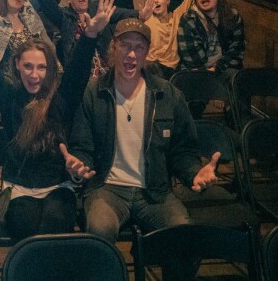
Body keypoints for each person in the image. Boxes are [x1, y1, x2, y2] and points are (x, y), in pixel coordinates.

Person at [0, 0, 114, 239]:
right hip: (19, 187)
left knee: (55, 226)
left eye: (41, 68)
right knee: (25, 229)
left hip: (58, 187)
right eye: (28, 66)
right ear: (17, 65)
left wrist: (91, 35)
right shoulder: (9, 96)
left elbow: (77, 73)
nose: (35, 74)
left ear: (49, 70)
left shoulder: (62, 98)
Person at [62, 18, 221, 277]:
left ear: (147, 53)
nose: (131, 54)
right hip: (107, 189)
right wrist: (79, 165)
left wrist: (194, 173)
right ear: (114, 48)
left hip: (155, 192)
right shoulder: (94, 92)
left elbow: (183, 150)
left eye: (139, 47)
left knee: (185, 237)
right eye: (125, 45)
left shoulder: (167, 94)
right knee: (99, 234)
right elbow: (82, 146)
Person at [119, 0, 234, 79]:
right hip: (148, 67)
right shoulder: (146, 16)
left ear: (167, 1)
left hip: (170, 72)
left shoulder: (177, 17)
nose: (156, 1)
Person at [177, 0, 245, 75]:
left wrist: (218, 68)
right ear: (195, 0)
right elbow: (192, 59)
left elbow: (237, 50)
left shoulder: (233, 16)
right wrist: (209, 75)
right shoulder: (188, 21)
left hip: (224, 68)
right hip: (196, 73)